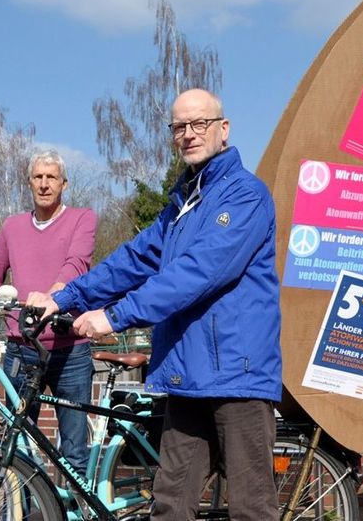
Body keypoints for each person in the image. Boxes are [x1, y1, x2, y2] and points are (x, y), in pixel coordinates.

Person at [31, 89, 282, 520]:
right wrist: (64, 298)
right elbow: (134, 259)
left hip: (238, 375)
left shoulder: (245, 196)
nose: (189, 134)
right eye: (179, 127)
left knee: (250, 507)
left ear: (224, 129)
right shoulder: (182, 203)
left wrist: (114, 315)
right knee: (169, 504)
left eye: (199, 123)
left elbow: (197, 274)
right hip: (188, 374)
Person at [0, 149, 97, 477]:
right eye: (38, 177)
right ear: (29, 182)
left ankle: (74, 511)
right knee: (15, 447)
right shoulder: (11, 227)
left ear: (64, 183)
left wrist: (52, 295)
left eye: (51, 177)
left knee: (73, 451)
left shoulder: (82, 218)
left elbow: (77, 264)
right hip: (21, 350)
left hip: (68, 350)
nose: (44, 184)